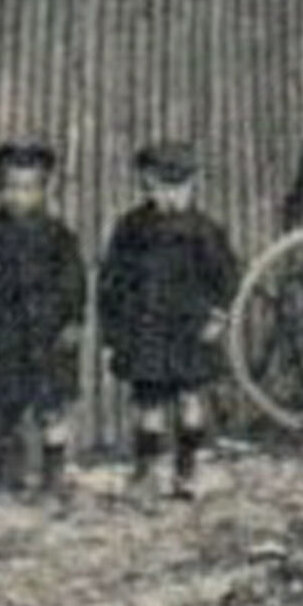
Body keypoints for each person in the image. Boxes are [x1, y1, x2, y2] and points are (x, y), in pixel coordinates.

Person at [96, 138, 241, 499]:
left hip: (190, 331)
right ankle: (145, 472)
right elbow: (112, 281)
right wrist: (112, 334)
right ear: (145, 186)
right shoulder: (131, 228)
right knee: (149, 406)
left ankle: (187, 470)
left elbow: (226, 276)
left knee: (191, 401)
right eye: (155, 188)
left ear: (192, 185)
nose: (166, 197)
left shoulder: (204, 231)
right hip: (146, 330)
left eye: (176, 188)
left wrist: (219, 316)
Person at [0, 141, 87, 504]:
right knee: (3, 412)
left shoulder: (59, 237)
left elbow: (75, 283)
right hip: (2, 340)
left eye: (28, 188)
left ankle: (53, 478)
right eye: (10, 187)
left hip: (48, 339)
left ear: (43, 191)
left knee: (51, 409)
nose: (18, 196)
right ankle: (4, 479)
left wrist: (73, 321)